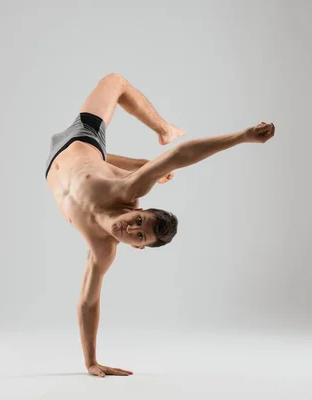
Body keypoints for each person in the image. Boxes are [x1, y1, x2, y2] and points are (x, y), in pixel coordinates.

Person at [45, 73, 275, 378]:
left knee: (113, 163)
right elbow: (180, 155)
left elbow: (88, 301)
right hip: (82, 138)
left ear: (138, 247)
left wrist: (91, 361)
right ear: (140, 207)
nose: (131, 228)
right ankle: (164, 129)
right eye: (139, 220)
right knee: (115, 81)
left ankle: (140, 162)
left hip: (56, 162)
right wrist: (241, 137)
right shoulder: (127, 191)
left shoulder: (102, 249)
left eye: (138, 236)